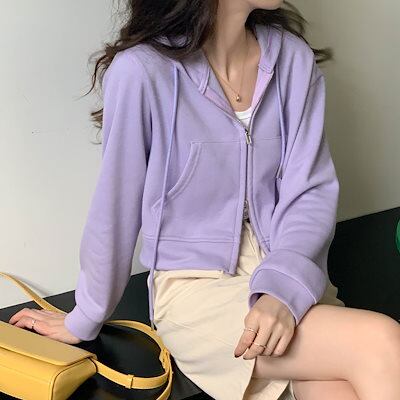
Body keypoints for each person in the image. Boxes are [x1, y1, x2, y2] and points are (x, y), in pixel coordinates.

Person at [9, 1, 400, 399]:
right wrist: (85, 316)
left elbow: (309, 193)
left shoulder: (291, 59)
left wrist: (282, 288)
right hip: (196, 289)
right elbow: (114, 209)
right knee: (381, 343)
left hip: (291, 273)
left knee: (337, 384)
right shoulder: (142, 72)